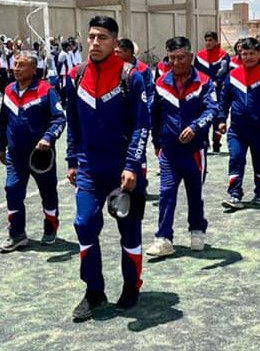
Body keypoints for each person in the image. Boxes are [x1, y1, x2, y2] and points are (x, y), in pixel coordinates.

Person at [65, 16, 150, 321]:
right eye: (91, 37)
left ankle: (131, 286)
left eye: (102, 37)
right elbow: (72, 123)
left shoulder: (131, 76)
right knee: (84, 224)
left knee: (129, 231)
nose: (95, 43)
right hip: (89, 168)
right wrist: (72, 160)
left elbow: (142, 125)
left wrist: (131, 165)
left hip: (124, 171)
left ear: (115, 41)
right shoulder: (75, 76)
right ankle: (93, 291)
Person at [147, 36, 217, 257]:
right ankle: (163, 238)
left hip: (195, 152)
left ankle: (197, 230)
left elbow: (212, 110)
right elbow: (153, 116)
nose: (176, 63)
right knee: (166, 193)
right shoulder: (160, 85)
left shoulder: (205, 82)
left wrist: (195, 127)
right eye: (171, 58)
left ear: (190, 57)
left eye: (181, 58)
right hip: (168, 152)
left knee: (194, 193)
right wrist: (157, 145)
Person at [0, 52, 65, 252]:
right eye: (15, 64)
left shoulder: (46, 91)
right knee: (12, 190)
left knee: (48, 192)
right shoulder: (8, 90)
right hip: (15, 156)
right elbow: (3, 121)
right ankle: (17, 234)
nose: (16, 68)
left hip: (41, 158)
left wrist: (48, 138)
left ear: (33, 69)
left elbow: (59, 118)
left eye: (22, 65)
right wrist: (1, 146)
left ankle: (50, 228)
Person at [218, 37, 260, 209]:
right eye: (244, 54)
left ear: (259, 54)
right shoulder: (232, 76)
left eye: (252, 53)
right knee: (236, 159)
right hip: (237, 131)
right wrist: (222, 120)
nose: (248, 57)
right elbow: (223, 100)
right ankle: (235, 195)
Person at [195, 31, 231, 153]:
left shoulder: (223, 56)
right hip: (203, 91)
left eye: (211, 40)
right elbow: (196, 72)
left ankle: (216, 143)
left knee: (217, 115)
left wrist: (217, 81)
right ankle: (204, 142)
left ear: (216, 42)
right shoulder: (199, 56)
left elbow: (224, 71)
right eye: (206, 40)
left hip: (219, 90)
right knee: (203, 114)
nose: (208, 43)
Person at [114, 38, 154, 109]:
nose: (115, 55)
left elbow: (150, 92)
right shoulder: (115, 67)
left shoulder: (143, 69)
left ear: (128, 52)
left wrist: (147, 110)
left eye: (118, 52)